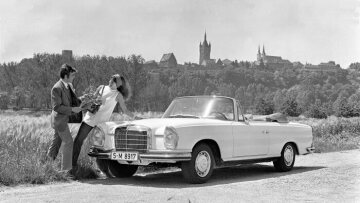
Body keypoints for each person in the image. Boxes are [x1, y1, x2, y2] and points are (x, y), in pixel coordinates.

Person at [72, 74, 136, 168]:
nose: (110, 80)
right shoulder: (101, 88)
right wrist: (89, 102)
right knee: (78, 140)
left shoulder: (118, 95)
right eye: (110, 78)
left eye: (113, 80)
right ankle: (72, 165)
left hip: (101, 124)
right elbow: (92, 100)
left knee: (101, 147)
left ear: (117, 84)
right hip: (90, 118)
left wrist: (136, 117)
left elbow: (125, 110)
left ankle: (103, 168)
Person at [47, 64, 82, 174]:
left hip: (63, 119)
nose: (74, 77)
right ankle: (66, 171)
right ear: (66, 76)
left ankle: (48, 166)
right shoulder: (57, 88)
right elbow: (56, 107)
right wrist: (72, 109)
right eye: (72, 75)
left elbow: (71, 100)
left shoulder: (68, 85)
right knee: (69, 142)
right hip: (59, 120)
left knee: (56, 142)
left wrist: (82, 100)